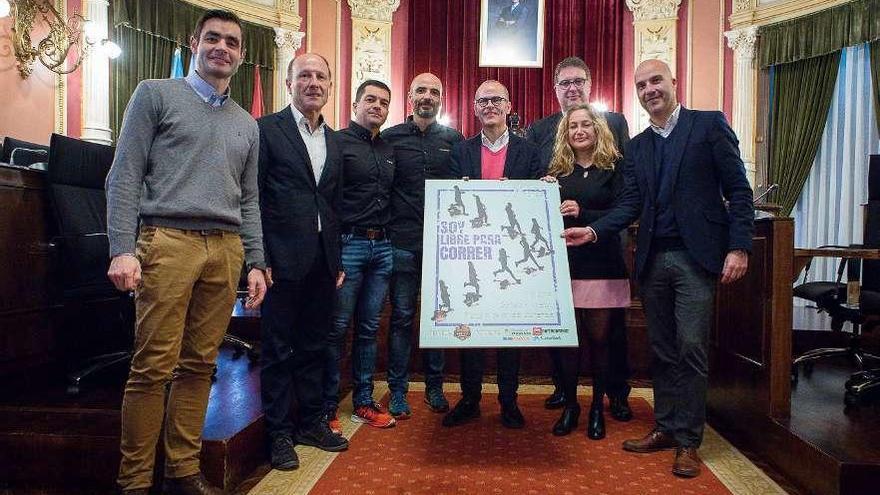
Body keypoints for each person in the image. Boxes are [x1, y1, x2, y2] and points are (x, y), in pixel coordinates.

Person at [562, 59, 754, 478]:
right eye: (642, 84)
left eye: (656, 81)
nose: (649, 90)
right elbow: (630, 205)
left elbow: (739, 190)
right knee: (663, 350)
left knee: (691, 348)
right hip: (651, 259)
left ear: (673, 83)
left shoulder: (709, 126)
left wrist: (739, 247)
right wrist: (592, 232)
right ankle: (666, 428)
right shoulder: (639, 145)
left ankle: (688, 441)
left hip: (695, 258)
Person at [106, 10, 267, 495]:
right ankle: (133, 482)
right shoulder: (155, 94)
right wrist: (122, 249)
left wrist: (256, 260)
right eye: (213, 38)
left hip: (225, 250)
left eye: (232, 42)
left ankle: (181, 471)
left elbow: (250, 198)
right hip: (166, 242)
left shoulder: (247, 124)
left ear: (241, 55)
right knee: (152, 367)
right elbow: (124, 175)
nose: (222, 47)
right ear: (194, 42)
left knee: (200, 366)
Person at [526, 56, 633, 421]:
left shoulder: (615, 122)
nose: (572, 88)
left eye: (578, 81)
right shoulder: (540, 130)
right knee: (563, 329)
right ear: (555, 89)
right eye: (565, 83)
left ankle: (615, 395)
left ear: (589, 84)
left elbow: (627, 191)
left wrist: (590, 221)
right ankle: (564, 391)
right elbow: (537, 181)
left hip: (604, 250)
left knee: (610, 334)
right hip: (560, 251)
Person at [256, 53, 348, 472]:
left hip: (323, 261)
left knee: (315, 345)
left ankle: (310, 422)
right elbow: (252, 198)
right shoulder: (266, 131)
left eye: (321, 76)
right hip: (280, 261)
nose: (313, 82)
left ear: (329, 85)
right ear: (289, 82)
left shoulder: (336, 140)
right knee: (277, 349)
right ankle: (278, 433)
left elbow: (334, 203)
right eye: (305, 75)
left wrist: (338, 257)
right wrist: (258, 258)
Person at [442, 79, 543, 429]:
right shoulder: (460, 151)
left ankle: (509, 402)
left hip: (512, 257)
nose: (490, 106)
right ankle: (469, 399)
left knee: (508, 332)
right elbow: (451, 201)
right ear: (474, 108)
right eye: (482, 100)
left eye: (497, 100)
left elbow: (534, 203)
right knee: (470, 331)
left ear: (509, 106)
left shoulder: (529, 152)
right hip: (470, 255)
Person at [542, 104, 630, 439]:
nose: (579, 131)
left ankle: (597, 408)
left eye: (586, 125)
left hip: (602, 264)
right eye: (572, 126)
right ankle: (571, 407)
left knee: (600, 342)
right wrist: (542, 192)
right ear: (565, 134)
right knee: (567, 343)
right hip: (564, 267)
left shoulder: (614, 167)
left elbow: (624, 210)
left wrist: (584, 211)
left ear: (598, 129)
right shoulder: (557, 172)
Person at [381, 73, 464, 418]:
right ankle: (398, 390)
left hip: (444, 248)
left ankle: (434, 387)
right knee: (401, 318)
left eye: (434, 91)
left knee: (439, 318)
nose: (428, 96)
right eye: (421, 91)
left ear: (441, 98)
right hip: (402, 241)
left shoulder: (456, 140)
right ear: (410, 97)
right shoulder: (389, 138)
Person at [324, 79, 397, 430]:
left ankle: (364, 402)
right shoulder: (335, 143)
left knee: (369, 328)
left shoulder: (388, 148)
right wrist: (333, 253)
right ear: (355, 104)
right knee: (337, 328)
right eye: (370, 99)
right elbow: (326, 200)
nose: (377, 106)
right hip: (348, 246)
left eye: (384, 102)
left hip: (383, 247)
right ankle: (326, 407)